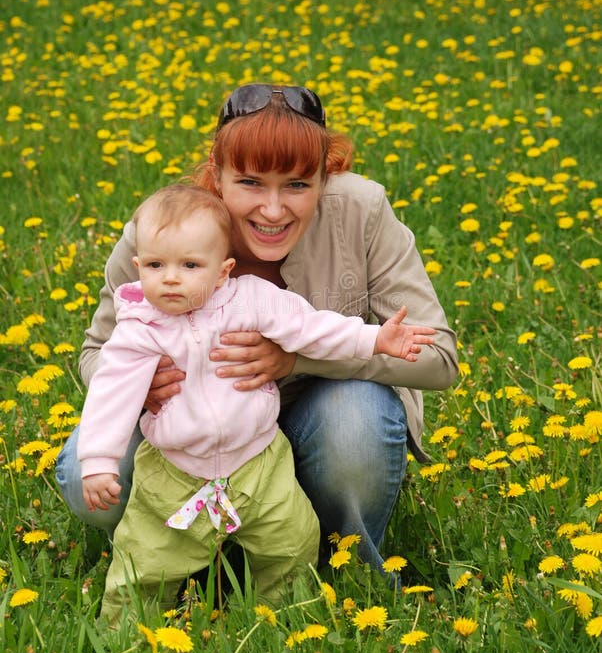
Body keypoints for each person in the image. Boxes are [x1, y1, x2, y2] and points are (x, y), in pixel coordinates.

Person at [57, 82, 458, 580]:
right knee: (87, 472)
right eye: (250, 183)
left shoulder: (363, 210)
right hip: (190, 435)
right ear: (217, 174)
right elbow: (96, 351)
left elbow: (439, 358)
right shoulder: (165, 226)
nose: (272, 210)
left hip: (322, 418)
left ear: (324, 177)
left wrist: (297, 360)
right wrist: (142, 387)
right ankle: (192, 557)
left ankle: (341, 569)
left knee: (355, 419)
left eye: (296, 185)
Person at [76, 182, 436, 622]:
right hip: (174, 469)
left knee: (289, 542)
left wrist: (374, 338)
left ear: (223, 270)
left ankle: (288, 616)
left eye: (190, 265)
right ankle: (124, 633)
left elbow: (314, 328)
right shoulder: (138, 329)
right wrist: (97, 461)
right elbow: (109, 395)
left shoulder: (250, 300)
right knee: (147, 557)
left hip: (259, 462)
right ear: (138, 267)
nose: (171, 277)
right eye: (156, 265)